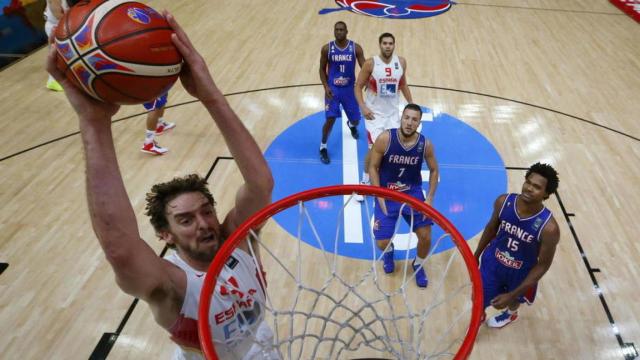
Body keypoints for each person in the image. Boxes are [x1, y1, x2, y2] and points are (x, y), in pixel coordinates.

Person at [46, 12, 278, 359]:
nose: (203, 223)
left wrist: (209, 94)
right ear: (165, 236)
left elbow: (260, 185)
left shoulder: (238, 242)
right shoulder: (171, 286)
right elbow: (121, 249)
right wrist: (94, 123)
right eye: (185, 220)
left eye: (206, 211)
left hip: (262, 347)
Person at [473, 163, 560, 328]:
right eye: (528, 182)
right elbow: (491, 228)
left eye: (537, 187)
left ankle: (510, 314)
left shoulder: (549, 228)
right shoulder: (503, 202)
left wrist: (512, 294)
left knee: (513, 301)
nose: (529, 188)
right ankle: (479, 314)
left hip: (520, 271)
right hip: (493, 262)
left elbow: (543, 265)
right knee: (479, 295)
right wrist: (476, 255)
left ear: (546, 194)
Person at [369, 104, 438, 288]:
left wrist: (429, 198)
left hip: (412, 193)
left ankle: (418, 263)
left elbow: (434, 170)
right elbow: (372, 167)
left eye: (414, 119)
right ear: (401, 118)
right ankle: (389, 252)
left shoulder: (425, 145)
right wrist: (378, 194)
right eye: (406, 118)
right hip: (386, 193)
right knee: (382, 241)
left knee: (425, 236)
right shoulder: (385, 138)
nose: (409, 123)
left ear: (419, 123)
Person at [355, 32, 413, 191]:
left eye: (390, 43)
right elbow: (358, 86)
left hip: (392, 114)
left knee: (393, 148)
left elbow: (403, 84)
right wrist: (363, 106)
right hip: (374, 115)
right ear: (380, 45)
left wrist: (411, 104)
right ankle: (365, 180)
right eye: (385, 43)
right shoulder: (370, 64)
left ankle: (391, 179)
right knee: (374, 149)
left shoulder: (401, 62)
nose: (388, 46)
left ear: (394, 45)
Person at [318, 21, 365, 164]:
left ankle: (350, 125)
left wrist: (365, 83)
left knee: (356, 121)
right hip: (333, 90)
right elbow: (321, 69)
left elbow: (365, 68)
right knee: (330, 119)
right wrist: (326, 86)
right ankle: (323, 146)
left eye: (341, 30)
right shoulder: (327, 49)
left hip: (350, 90)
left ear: (346, 31)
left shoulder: (355, 48)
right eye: (336, 29)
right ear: (334, 31)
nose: (339, 32)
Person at [44, 0, 68, 91]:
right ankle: (52, 81)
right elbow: (58, 15)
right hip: (56, 26)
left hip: (62, 25)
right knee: (56, 56)